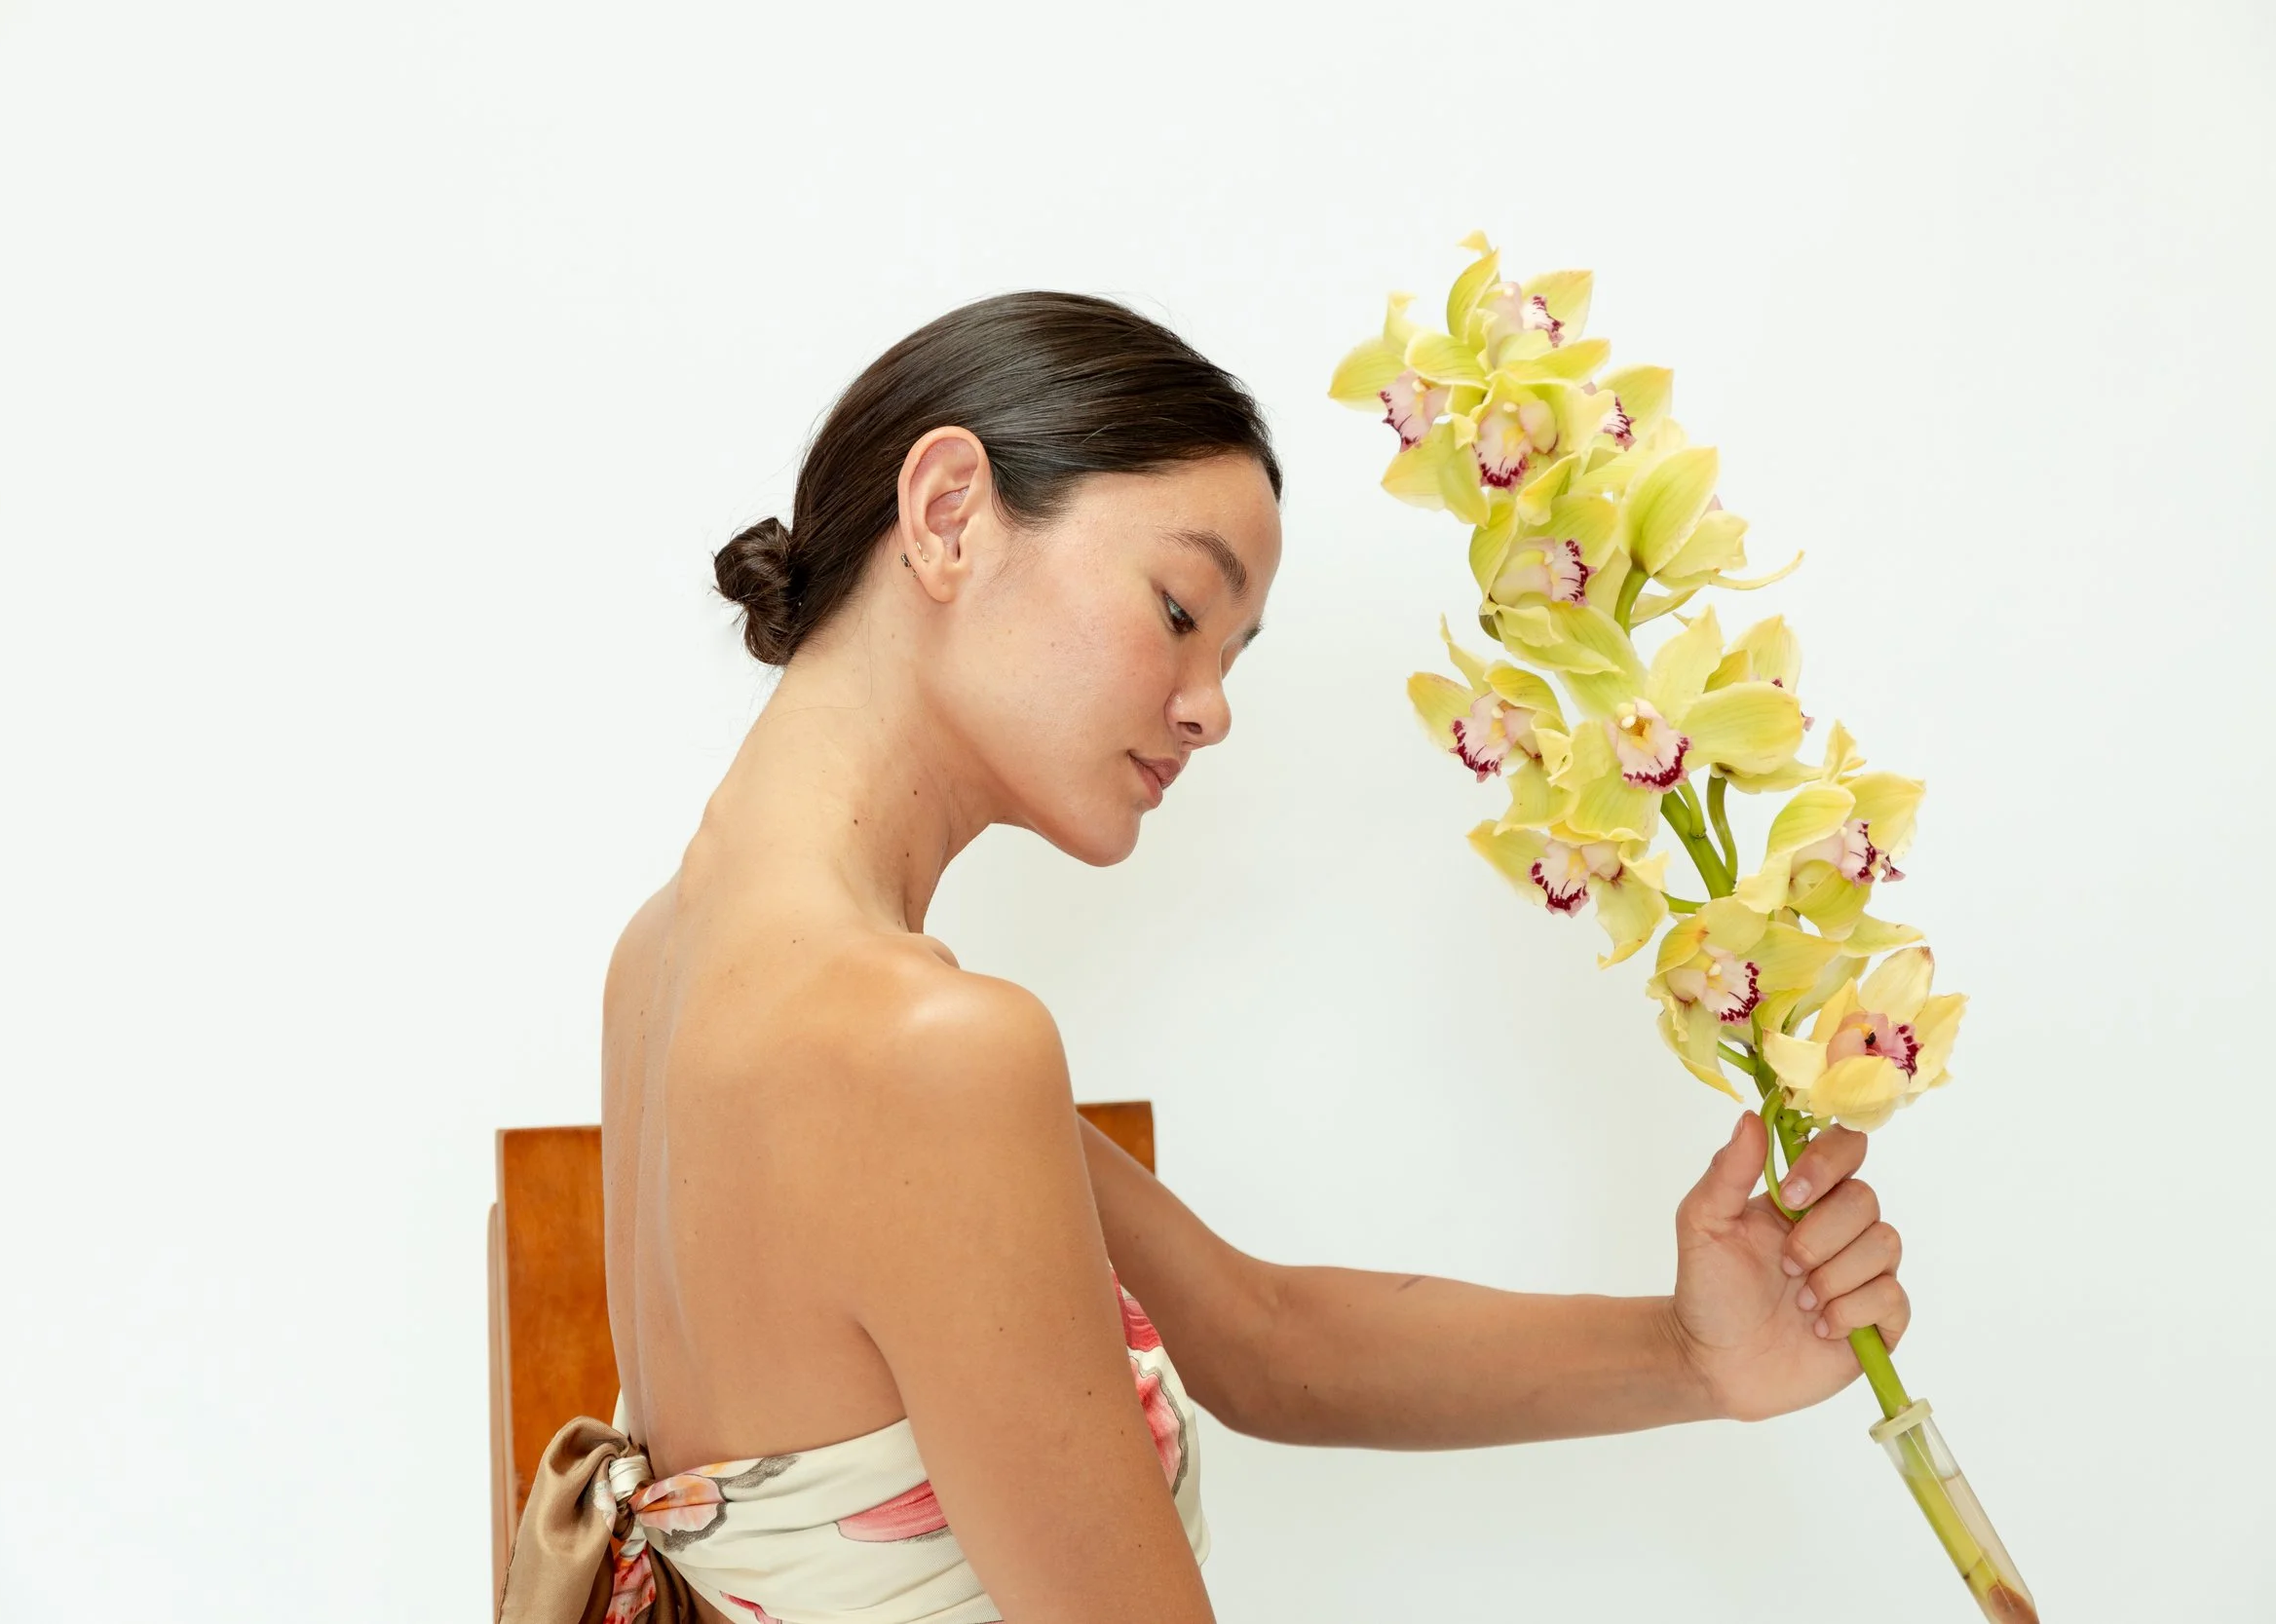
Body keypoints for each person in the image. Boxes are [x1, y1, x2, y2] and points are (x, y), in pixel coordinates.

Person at [497, 291, 1913, 1624]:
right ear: (945, 517)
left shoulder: (672, 957)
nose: (1213, 709)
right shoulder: (925, 1045)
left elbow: (1258, 1331)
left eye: (1232, 651)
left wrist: (1694, 1350)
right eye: (1183, 611)